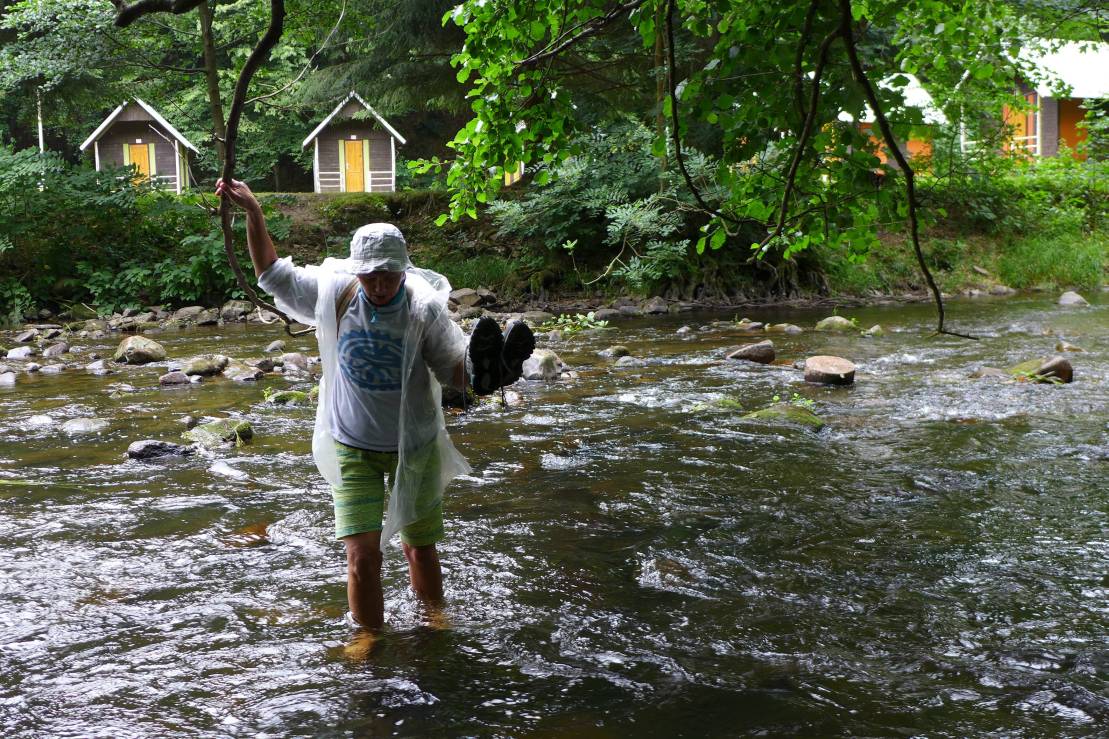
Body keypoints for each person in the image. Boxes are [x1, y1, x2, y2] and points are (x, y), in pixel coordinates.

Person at [216, 178, 533, 631]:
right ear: (356, 270)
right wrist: (254, 213)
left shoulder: (423, 308)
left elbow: (454, 375)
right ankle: (369, 639)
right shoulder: (335, 292)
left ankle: (433, 623)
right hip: (353, 445)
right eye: (371, 274)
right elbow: (269, 272)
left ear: (405, 271)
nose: (380, 284)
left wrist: (489, 377)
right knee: (361, 554)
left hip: (415, 447)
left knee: (418, 546)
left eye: (389, 274)